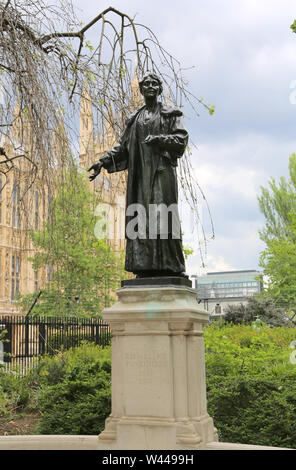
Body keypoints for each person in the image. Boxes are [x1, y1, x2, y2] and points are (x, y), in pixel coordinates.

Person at [88, 71, 189, 278]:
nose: (150, 87)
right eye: (146, 84)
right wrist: (102, 161)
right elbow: (122, 147)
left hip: (161, 173)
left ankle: (169, 265)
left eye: (154, 84)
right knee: (140, 218)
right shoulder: (135, 119)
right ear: (141, 90)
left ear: (159, 89)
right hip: (141, 177)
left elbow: (181, 140)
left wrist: (159, 139)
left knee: (163, 216)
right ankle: (145, 265)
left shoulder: (171, 114)